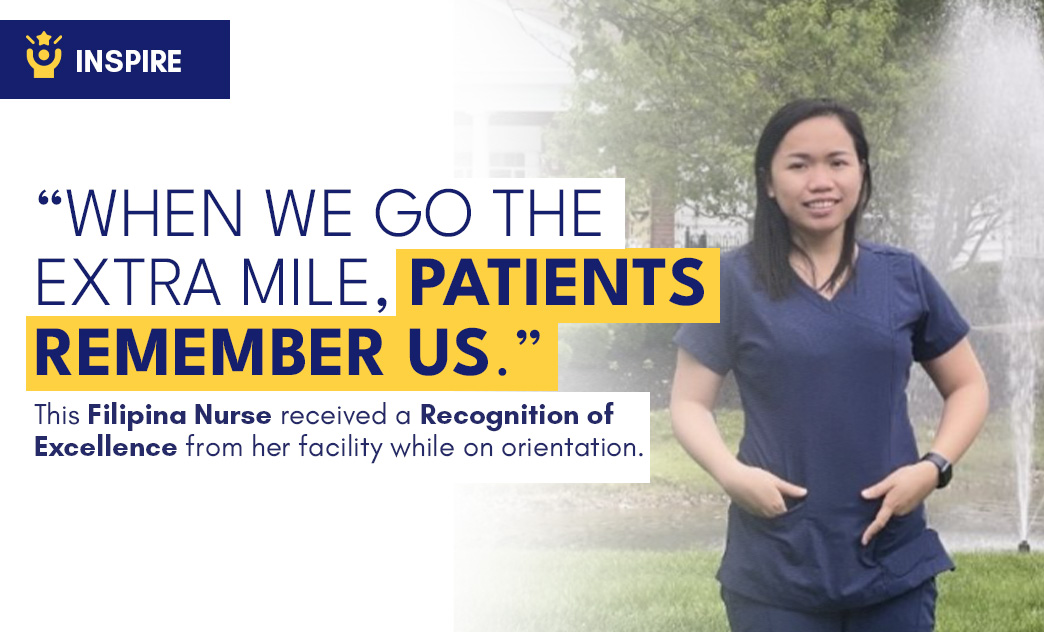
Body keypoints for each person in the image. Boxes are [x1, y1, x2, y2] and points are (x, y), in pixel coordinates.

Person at [670, 98, 989, 631]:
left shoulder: (903, 275)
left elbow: (969, 386)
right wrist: (732, 476)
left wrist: (932, 469)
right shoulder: (728, 282)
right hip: (776, 560)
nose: (821, 180)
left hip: (892, 556)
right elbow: (688, 403)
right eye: (799, 164)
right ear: (768, 181)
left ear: (861, 174)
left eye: (838, 162)